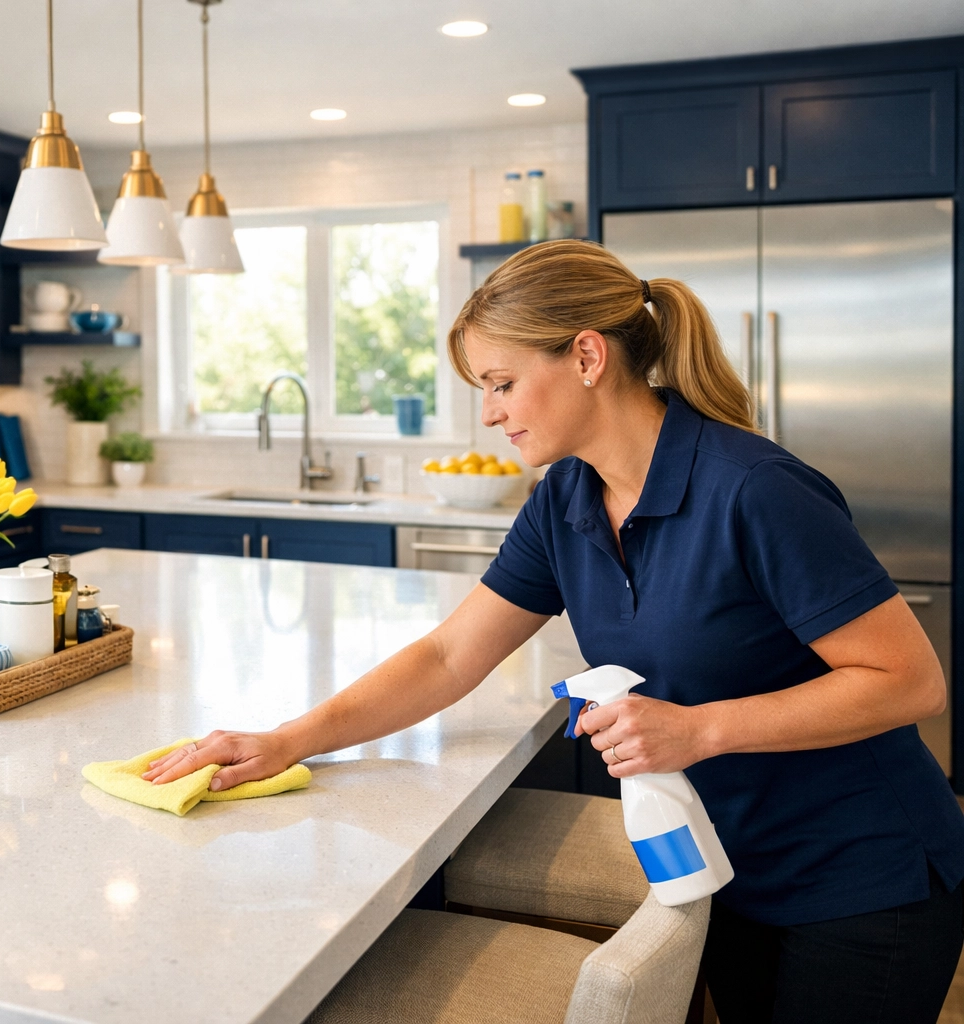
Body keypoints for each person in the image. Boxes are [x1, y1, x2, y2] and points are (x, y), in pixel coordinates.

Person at [142, 239, 964, 1022]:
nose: (491, 415)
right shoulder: (566, 498)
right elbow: (448, 655)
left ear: (585, 357)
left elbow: (910, 682)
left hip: (865, 877)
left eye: (500, 383)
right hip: (729, 866)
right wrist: (289, 741)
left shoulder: (755, 491)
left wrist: (698, 729)